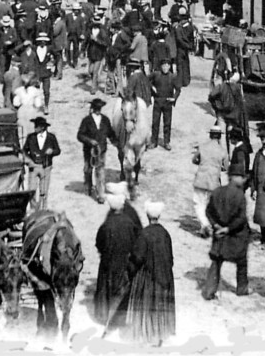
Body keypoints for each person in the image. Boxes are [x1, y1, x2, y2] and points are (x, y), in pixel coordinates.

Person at [126, 202, 176, 346]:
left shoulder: (144, 234)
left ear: (147, 216)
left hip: (148, 277)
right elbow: (170, 258)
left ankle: (146, 336)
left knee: (146, 306)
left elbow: (138, 257)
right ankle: (160, 335)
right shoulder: (165, 233)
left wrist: (130, 268)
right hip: (165, 275)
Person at [202, 169, 250, 300]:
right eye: (242, 177)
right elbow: (241, 219)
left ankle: (209, 291)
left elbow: (208, 211)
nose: (244, 180)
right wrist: (228, 229)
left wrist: (216, 225)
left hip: (219, 236)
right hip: (236, 236)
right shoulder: (240, 195)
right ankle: (242, 289)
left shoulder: (217, 191)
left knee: (216, 262)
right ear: (233, 177)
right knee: (241, 262)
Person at [95, 193, 139, 331]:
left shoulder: (106, 225)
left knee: (106, 288)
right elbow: (136, 242)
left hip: (108, 262)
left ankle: (104, 316)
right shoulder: (130, 223)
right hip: (125, 262)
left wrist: (104, 253)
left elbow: (99, 243)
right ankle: (120, 317)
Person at [76, 98, 117, 203]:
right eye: (96, 108)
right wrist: (89, 141)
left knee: (100, 171)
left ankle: (100, 194)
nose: (98, 110)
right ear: (93, 109)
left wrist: (116, 141)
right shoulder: (86, 120)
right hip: (89, 151)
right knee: (88, 169)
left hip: (101, 150)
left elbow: (110, 133)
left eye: (100, 108)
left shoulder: (105, 120)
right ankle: (88, 187)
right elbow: (80, 135)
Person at [192, 125, 229, 238]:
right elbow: (226, 167)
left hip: (201, 179)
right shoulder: (222, 151)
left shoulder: (202, 147)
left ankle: (205, 225)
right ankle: (208, 225)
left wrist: (202, 163)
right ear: (219, 137)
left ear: (210, 135)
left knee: (198, 204)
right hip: (214, 181)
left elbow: (194, 159)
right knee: (209, 205)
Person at [22, 117, 61, 210]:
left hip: (46, 167)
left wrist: (52, 151)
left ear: (42, 127)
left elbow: (58, 150)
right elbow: (24, 150)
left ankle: (43, 209)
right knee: (31, 190)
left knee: (44, 191)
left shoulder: (51, 137)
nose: (35, 128)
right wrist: (28, 161)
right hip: (33, 166)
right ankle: (33, 209)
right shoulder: (31, 137)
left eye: (37, 126)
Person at [149, 59, 180, 150]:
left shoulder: (173, 77)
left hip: (167, 103)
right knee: (155, 122)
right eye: (163, 65)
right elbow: (146, 80)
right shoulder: (156, 74)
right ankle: (154, 142)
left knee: (167, 123)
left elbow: (178, 89)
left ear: (170, 67)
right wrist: (152, 88)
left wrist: (174, 98)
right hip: (158, 101)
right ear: (161, 66)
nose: (165, 68)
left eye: (167, 65)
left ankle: (166, 142)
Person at [13, 73, 44, 147]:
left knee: (22, 129)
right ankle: (31, 146)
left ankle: (22, 146)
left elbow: (16, 103)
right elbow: (38, 104)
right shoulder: (36, 91)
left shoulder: (19, 91)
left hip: (21, 110)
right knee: (31, 129)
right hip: (31, 110)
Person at [33, 32, 56, 114]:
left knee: (46, 91)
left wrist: (52, 63)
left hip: (46, 73)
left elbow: (57, 56)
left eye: (44, 41)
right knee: (35, 91)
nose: (42, 42)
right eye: (41, 41)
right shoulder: (35, 49)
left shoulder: (50, 49)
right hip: (37, 73)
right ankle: (35, 106)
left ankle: (46, 106)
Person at [173, 8, 194, 87]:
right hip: (186, 47)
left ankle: (180, 81)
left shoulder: (180, 28)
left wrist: (186, 46)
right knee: (185, 64)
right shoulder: (190, 27)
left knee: (180, 64)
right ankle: (186, 80)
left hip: (181, 48)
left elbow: (179, 39)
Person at [65, 2, 86, 69]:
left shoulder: (81, 17)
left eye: (78, 10)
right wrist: (65, 31)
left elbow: (83, 27)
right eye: (75, 9)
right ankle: (68, 62)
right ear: (73, 10)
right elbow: (65, 24)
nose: (77, 11)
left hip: (76, 35)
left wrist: (82, 34)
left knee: (76, 49)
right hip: (68, 35)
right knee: (67, 48)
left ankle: (75, 63)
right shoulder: (68, 16)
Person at [51, 9, 67, 79]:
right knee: (58, 58)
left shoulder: (59, 23)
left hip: (58, 43)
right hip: (59, 43)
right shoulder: (61, 22)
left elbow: (54, 32)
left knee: (58, 59)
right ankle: (56, 73)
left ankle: (59, 74)